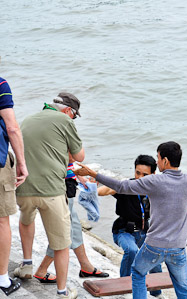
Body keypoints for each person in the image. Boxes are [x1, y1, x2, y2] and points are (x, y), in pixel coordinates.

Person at [75, 141, 187, 299]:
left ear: (165, 161)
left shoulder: (154, 182)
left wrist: (93, 173)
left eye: (158, 158)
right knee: (183, 288)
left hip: (154, 246)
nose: (157, 161)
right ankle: (156, 293)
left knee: (137, 272)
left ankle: (152, 293)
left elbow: (121, 186)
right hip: (177, 248)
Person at [14, 92, 85, 299]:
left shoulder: (28, 119)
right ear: (68, 111)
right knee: (61, 243)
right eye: (74, 115)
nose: (73, 119)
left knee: (26, 221)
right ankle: (62, 293)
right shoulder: (65, 120)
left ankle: (27, 265)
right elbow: (79, 156)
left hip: (24, 187)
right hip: (52, 190)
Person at [97, 154, 163, 298]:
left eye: (145, 175)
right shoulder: (127, 186)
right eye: (137, 173)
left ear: (153, 175)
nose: (139, 178)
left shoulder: (156, 190)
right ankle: (123, 285)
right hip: (123, 231)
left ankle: (156, 293)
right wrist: (94, 190)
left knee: (155, 256)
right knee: (132, 250)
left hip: (143, 232)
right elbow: (107, 190)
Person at [33, 163, 109, 284]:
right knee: (64, 231)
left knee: (75, 228)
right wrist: (79, 172)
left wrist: (78, 175)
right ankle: (42, 270)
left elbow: (64, 160)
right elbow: (70, 156)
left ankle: (86, 266)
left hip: (64, 183)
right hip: (59, 186)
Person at [0, 77, 28, 296]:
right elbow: (12, 127)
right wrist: (21, 162)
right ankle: (2, 279)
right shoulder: (0, 85)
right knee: (2, 220)